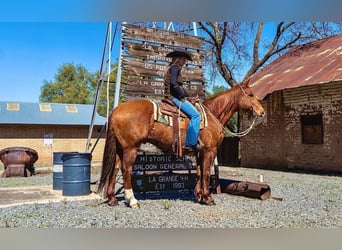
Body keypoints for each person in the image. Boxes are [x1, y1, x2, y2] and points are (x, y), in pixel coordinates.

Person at [164, 49, 201, 150]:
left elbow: (179, 87)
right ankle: (191, 143)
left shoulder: (171, 68)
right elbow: (174, 84)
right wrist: (181, 96)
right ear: (179, 59)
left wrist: (190, 97)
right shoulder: (175, 67)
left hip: (171, 96)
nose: (184, 62)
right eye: (184, 60)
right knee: (196, 115)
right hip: (174, 98)